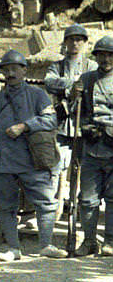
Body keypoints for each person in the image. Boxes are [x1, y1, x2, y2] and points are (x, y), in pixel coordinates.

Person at [0, 50, 66, 260]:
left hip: (31, 158)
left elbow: (50, 121)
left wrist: (25, 125)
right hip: (1, 160)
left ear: (24, 70)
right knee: (5, 205)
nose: (10, 73)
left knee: (45, 201)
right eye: (6, 69)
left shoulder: (38, 95)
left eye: (15, 68)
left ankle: (46, 245)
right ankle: (13, 248)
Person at [44, 24, 97, 218]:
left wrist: (82, 86)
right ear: (65, 42)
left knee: (83, 168)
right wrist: (72, 85)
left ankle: (77, 209)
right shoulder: (57, 66)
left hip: (84, 126)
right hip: (62, 124)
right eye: (71, 39)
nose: (75, 43)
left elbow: (96, 84)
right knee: (56, 167)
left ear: (84, 43)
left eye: (79, 40)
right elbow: (49, 82)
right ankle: (53, 209)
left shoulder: (91, 66)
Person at [71, 35, 113, 257]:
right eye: (101, 54)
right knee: (87, 199)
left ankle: (110, 241)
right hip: (91, 146)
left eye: (109, 55)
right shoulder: (86, 79)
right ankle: (88, 241)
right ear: (95, 57)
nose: (105, 59)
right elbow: (73, 111)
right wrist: (74, 95)